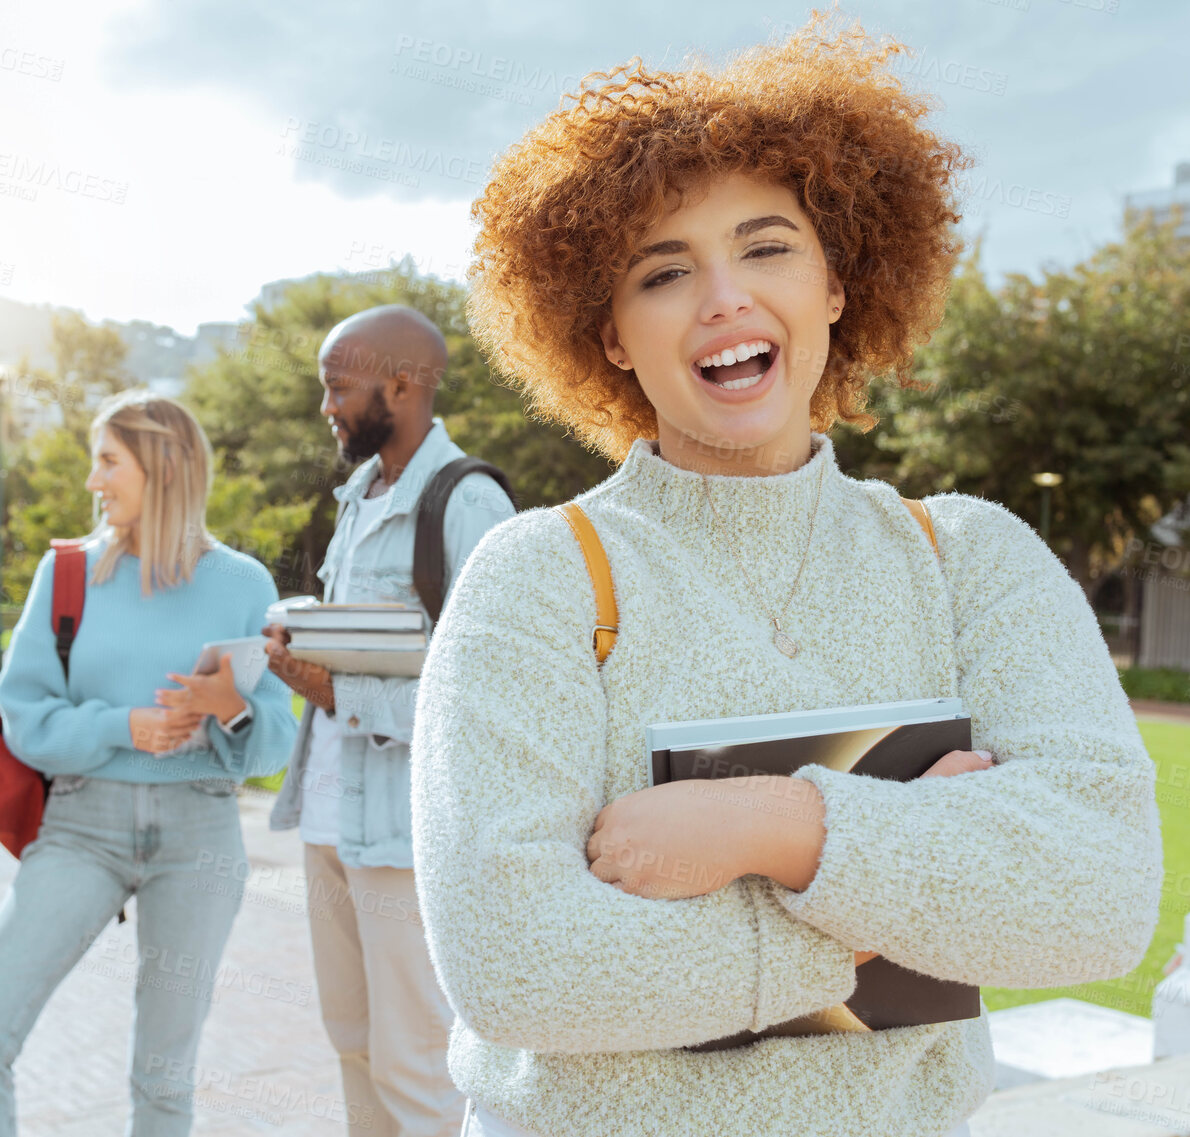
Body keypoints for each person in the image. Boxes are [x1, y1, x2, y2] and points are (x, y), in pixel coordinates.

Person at [411, 15, 1164, 1137]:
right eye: (665, 272)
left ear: (838, 286)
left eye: (768, 248)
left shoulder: (971, 559)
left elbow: (1099, 902)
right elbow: (519, 967)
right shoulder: (538, 577)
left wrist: (774, 827)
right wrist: (892, 905)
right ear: (610, 334)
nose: (724, 299)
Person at [0, 390, 297, 1137]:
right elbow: (29, 720)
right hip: (80, 826)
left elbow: (271, 746)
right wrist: (123, 725)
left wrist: (225, 705)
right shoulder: (67, 573)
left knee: (162, 1079)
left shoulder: (243, 584)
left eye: (108, 460)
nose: (93, 481)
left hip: (199, 829)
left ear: (162, 466)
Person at [262, 304, 515, 1137]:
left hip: (407, 839)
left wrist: (338, 692)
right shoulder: (357, 496)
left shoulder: (469, 503)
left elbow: (488, 697)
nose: (326, 405)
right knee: (354, 1046)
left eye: (339, 386)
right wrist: (302, 652)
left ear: (401, 385)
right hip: (331, 824)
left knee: (418, 1067)